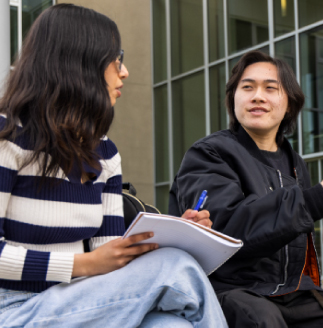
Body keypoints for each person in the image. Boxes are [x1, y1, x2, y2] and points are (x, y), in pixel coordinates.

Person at [0, 4, 227, 327]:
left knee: (172, 325)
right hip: (12, 308)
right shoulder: (6, 136)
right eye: (116, 59)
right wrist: (83, 264)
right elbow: (94, 263)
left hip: (84, 300)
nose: (124, 72)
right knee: (177, 267)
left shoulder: (104, 152)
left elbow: (108, 257)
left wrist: (174, 234)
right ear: (80, 61)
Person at [169, 50, 323, 328]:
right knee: (263, 320)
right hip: (230, 291)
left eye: (270, 88)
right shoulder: (209, 153)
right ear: (233, 99)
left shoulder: (293, 160)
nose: (257, 96)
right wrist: (316, 200)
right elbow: (227, 233)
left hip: (296, 293)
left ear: (289, 104)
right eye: (247, 87)